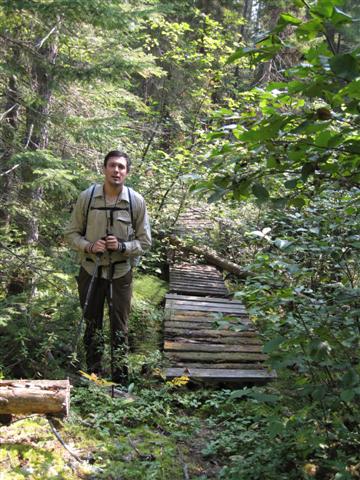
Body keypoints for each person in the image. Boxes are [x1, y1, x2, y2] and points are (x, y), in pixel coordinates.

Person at [65, 150, 151, 384]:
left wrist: (122, 246)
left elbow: (145, 242)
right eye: (112, 165)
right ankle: (94, 376)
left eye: (121, 167)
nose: (116, 171)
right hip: (90, 269)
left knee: (119, 327)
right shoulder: (88, 197)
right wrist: (90, 246)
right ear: (104, 169)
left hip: (121, 273)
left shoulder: (135, 201)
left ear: (127, 172)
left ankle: (120, 380)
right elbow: (71, 233)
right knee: (91, 324)